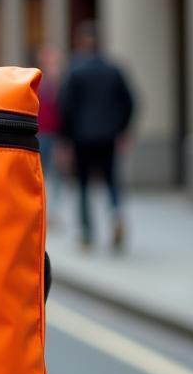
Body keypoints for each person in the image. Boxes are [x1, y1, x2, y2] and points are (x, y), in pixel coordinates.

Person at [58, 22, 136, 250]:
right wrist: (122, 129)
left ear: (81, 43)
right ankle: (115, 213)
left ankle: (86, 232)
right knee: (111, 179)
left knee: (82, 183)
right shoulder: (114, 70)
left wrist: (66, 138)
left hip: (82, 137)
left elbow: (66, 106)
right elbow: (130, 102)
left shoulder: (75, 70)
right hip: (109, 135)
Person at [36, 43, 64, 224]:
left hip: (56, 134)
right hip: (40, 134)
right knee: (41, 174)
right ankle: (43, 211)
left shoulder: (61, 82)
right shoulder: (38, 81)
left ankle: (53, 211)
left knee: (57, 174)